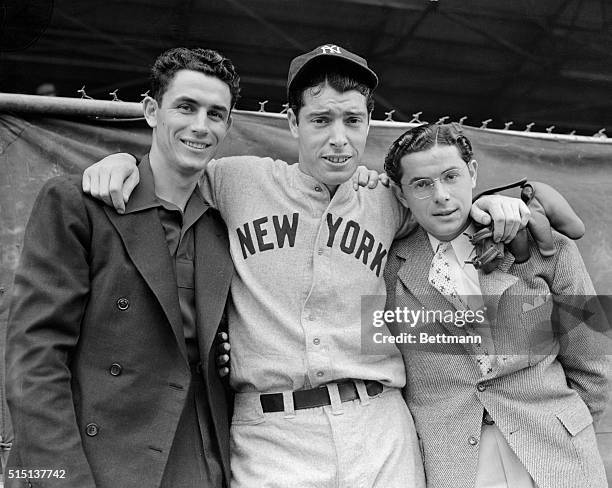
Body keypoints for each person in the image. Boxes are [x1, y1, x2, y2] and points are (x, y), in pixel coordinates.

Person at [81, 44, 538, 488]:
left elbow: (452, 203)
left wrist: (500, 203)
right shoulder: (236, 179)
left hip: (378, 426)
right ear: (292, 122)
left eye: (352, 120)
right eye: (321, 120)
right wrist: (123, 162)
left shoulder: (387, 198)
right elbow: (171, 168)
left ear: (367, 124)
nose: (339, 137)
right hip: (271, 434)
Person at [5, 47, 240, 488]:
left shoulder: (224, 225)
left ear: (228, 125)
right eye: (186, 107)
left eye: (215, 114)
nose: (200, 126)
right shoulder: (77, 204)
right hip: (94, 461)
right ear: (151, 111)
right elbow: (35, 356)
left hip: (197, 460)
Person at [382, 123, 611, 488]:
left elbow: (592, 354)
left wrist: (569, 424)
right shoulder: (388, 267)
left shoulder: (539, 244)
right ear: (401, 193)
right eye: (422, 184)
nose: (440, 195)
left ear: (472, 173)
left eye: (450, 176)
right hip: (455, 461)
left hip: (554, 450)